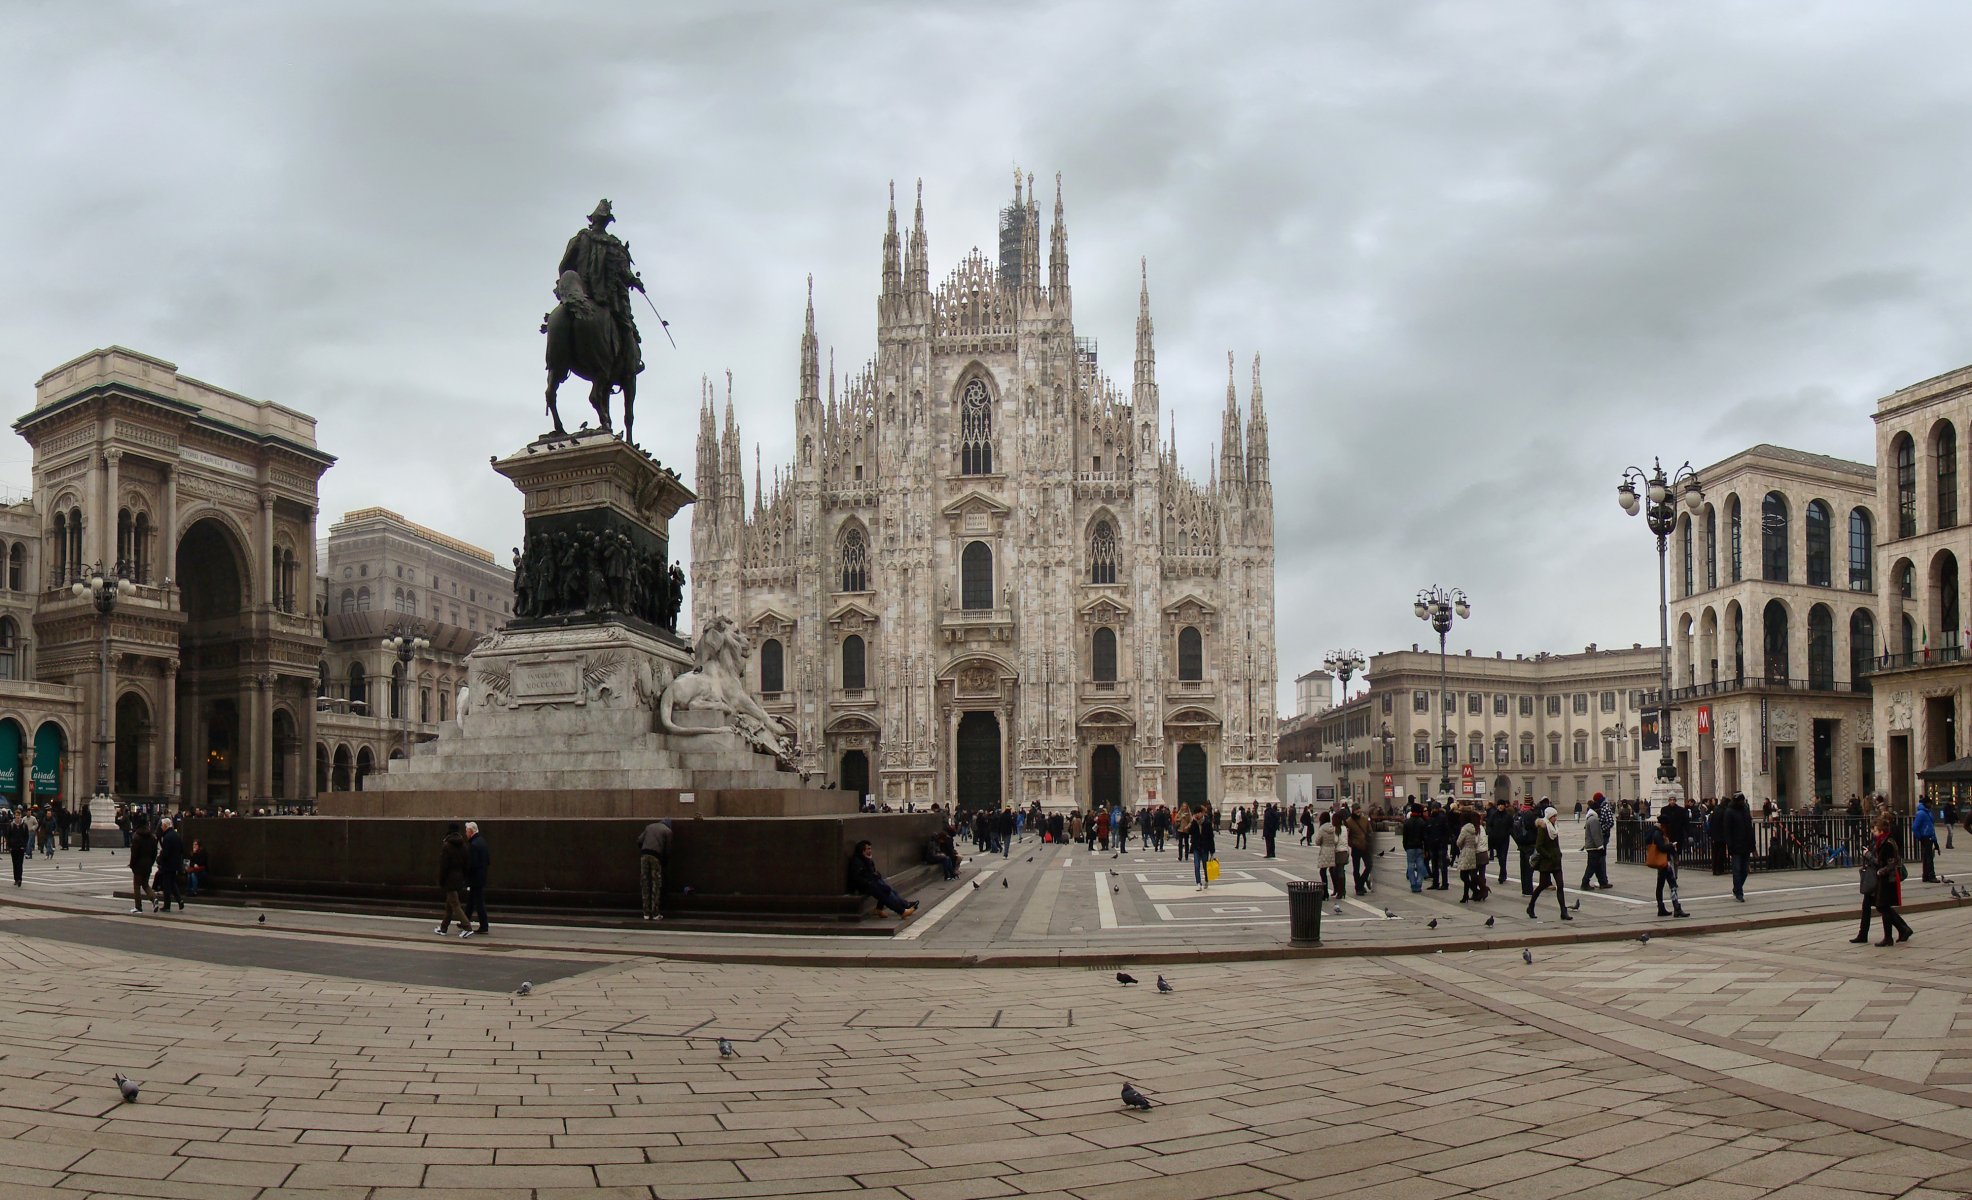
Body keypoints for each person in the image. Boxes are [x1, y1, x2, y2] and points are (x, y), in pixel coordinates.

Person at [1868, 816, 1913, 946]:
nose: (1873, 833)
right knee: (1883, 906)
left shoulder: (1887, 843)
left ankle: (1890, 937)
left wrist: (1880, 870)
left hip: (1888, 879)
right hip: (1886, 878)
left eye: (1875, 830)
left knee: (1883, 906)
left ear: (1882, 830)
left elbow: (1891, 863)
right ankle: (1900, 931)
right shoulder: (1883, 841)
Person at [847, 839, 916, 919]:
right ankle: (902, 911)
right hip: (864, 886)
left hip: (871, 883)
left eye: (870, 848)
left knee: (887, 889)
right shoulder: (857, 861)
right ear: (862, 850)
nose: (870, 851)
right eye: (868, 849)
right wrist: (869, 881)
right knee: (884, 893)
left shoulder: (866, 859)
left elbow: (872, 872)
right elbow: (857, 878)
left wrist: (874, 872)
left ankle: (901, 905)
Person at [1527, 807, 1571, 920]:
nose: (1555, 818)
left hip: (1556, 861)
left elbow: (1556, 844)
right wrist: (1548, 855)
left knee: (1560, 885)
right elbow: (1539, 846)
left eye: (1556, 816)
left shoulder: (1554, 828)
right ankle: (1531, 906)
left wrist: (1558, 854)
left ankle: (1563, 912)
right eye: (1554, 816)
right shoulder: (1543, 828)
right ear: (1549, 817)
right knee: (1542, 885)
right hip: (1546, 862)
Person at [1645, 813, 1688, 918]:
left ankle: (1661, 907)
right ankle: (1676, 908)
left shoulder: (1651, 831)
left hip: (1661, 863)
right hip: (1665, 863)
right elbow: (1662, 848)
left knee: (1660, 886)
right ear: (1663, 825)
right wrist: (1671, 846)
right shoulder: (1658, 833)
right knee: (1673, 885)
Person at [637, 817, 673, 920]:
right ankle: (655, 913)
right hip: (656, 857)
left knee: (645, 883)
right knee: (656, 884)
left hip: (644, 855)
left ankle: (646, 913)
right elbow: (668, 850)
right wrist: (665, 862)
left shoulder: (649, 826)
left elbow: (639, 840)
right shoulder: (668, 831)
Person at [1723, 793, 1755, 901]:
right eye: (1741, 800)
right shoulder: (1729, 811)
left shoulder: (1745, 810)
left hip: (1745, 844)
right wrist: (1729, 845)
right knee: (1737, 870)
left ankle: (1737, 888)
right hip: (1736, 845)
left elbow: (1749, 828)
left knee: (1745, 870)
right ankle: (1739, 893)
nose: (1742, 802)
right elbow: (1727, 830)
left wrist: (1753, 844)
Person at [461, 821, 491, 938]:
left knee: (478, 903)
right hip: (481, 876)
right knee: (472, 901)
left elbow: (471, 864)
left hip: (475, 878)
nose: (465, 833)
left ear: (471, 831)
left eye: (466, 831)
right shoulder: (482, 841)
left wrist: (466, 876)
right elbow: (488, 860)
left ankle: (484, 925)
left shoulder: (473, 845)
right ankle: (465, 922)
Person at [1580, 794, 1612, 891]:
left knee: (1597, 865)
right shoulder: (1594, 819)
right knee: (1592, 866)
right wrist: (1600, 846)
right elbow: (1595, 835)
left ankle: (1602, 882)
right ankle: (1585, 882)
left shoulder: (1591, 818)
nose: (1600, 811)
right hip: (1593, 847)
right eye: (1598, 810)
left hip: (1593, 846)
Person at [154, 817, 185, 913]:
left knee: (166, 885)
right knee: (172, 883)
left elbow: (165, 853)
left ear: (165, 826)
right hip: (175, 864)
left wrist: (159, 859)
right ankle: (180, 900)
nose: (161, 828)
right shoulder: (176, 835)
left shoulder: (167, 837)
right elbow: (181, 849)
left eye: (162, 826)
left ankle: (167, 905)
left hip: (168, 864)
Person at [128, 817, 157, 914]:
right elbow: (154, 853)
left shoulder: (137, 837)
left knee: (137, 886)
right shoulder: (152, 837)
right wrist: (151, 862)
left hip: (138, 865)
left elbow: (134, 853)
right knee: (145, 884)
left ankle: (138, 907)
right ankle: (154, 898)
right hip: (148, 863)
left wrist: (132, 865)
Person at [1314, 812, 1345, 898]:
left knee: (1322, 872)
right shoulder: (1333, 828)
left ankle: (1325, 893)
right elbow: (1335, 841)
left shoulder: (1322, 829)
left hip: (1324, 851)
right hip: (1332, 851)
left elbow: (1317, 841)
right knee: (1332, 871)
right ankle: (1337, 889)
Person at [1455, 809, 1483, 902]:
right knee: (1467, 875)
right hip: (1472, 852)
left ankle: (1475, 891)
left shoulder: (1464, 829)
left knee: (1463, 876)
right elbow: (1475, 841)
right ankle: (1466, 895)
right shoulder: (1473, 828)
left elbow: (1459, 842)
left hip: (1465, 852)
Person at [1347, 807, 1374, 893]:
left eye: (1358, 809)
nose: (1358, 811)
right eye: (1356, 809)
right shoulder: (1349, 821)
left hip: (1365, 847)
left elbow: (1370, 831)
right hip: (1356, 848)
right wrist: (1352, 844)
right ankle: (1359, 888)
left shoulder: (1365, 819)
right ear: (1353, 811)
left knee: (1369, 865)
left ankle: (1360, 883)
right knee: (1356, 869)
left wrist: (1369, 839)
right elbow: (1348, 836)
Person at [1485, 799, 1512, 887]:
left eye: (1502, 805)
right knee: (1500, 857)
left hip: (1504, 840)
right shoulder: (1494, 815)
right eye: (1499, 805)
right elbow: (1489, 825)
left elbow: (1511, 828)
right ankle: (1503, 871)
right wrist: (1490, 833)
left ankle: (1502, 875)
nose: (1500, 806)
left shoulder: (1507, 816)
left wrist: (1507, 833)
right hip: (1496, 839)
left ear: (1504, 806)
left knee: (1503, 857)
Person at [1402, 803, 1427, 893]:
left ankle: (1413, 884)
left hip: (1409, 847)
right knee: (1420, 865)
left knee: (1410, 866)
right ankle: (1419, 883)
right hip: (1419, 846)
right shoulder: (1422, 822)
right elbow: (1425, 837)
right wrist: (1426, 848)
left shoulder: (1407, 822)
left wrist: (1405, 846)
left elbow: (1404, 837)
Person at [1913, 797, 1939, 883]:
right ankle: (1931, 875)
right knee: (1929, 857)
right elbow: (1915, 827)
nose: (1931, 805)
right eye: (1930, 803)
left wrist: (1935, 840)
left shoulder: (1928, 813)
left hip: (1929, 836)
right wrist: (1920, 837)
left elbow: (1931, 827)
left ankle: (1926, 875)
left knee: (1927, 857)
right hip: (1925, 836)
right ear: (1926, 803)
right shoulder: (1921, 813)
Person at [1191, 805, 1217, 891]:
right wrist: (1191, 823)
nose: (1197, 815)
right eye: (1195, 813)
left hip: (1205, 847)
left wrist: (1212, 851)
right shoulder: (1194, 823)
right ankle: (1198, 883)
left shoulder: (1207, 823)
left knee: (1205, 866)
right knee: (1196, 866)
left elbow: (1210, 837)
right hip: (1196, 847)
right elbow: (1191, 834)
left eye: (1198, 813)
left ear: (1202, 813)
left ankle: (1206, 880)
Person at [4, 810, 26, 886]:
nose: (18, 817)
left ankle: (19, 879)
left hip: (21, 847)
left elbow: (26, 836)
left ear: (21, 816)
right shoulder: (11, 825)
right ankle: (16, 879)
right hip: (13, 847)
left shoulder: (24, 825)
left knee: (20, 864)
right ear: (14, 816)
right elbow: (8, 836)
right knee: (15, 864)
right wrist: (9, 846)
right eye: (16, 815)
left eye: (19, 816)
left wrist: (24, 845)